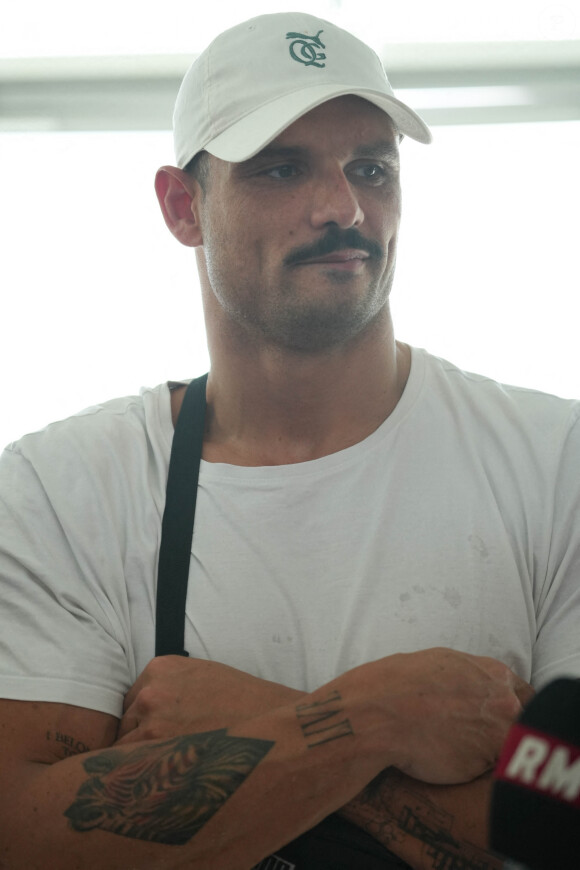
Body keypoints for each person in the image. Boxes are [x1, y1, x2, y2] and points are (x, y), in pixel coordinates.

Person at [0, 11, 578, 869]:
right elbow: (23, 831)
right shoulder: (62, 492)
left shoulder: (555, 461)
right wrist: (379, 718)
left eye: (371, 168)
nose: (343, 206)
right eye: (281, 166)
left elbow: (568, 815)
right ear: (182, 206)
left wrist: (256, 719)